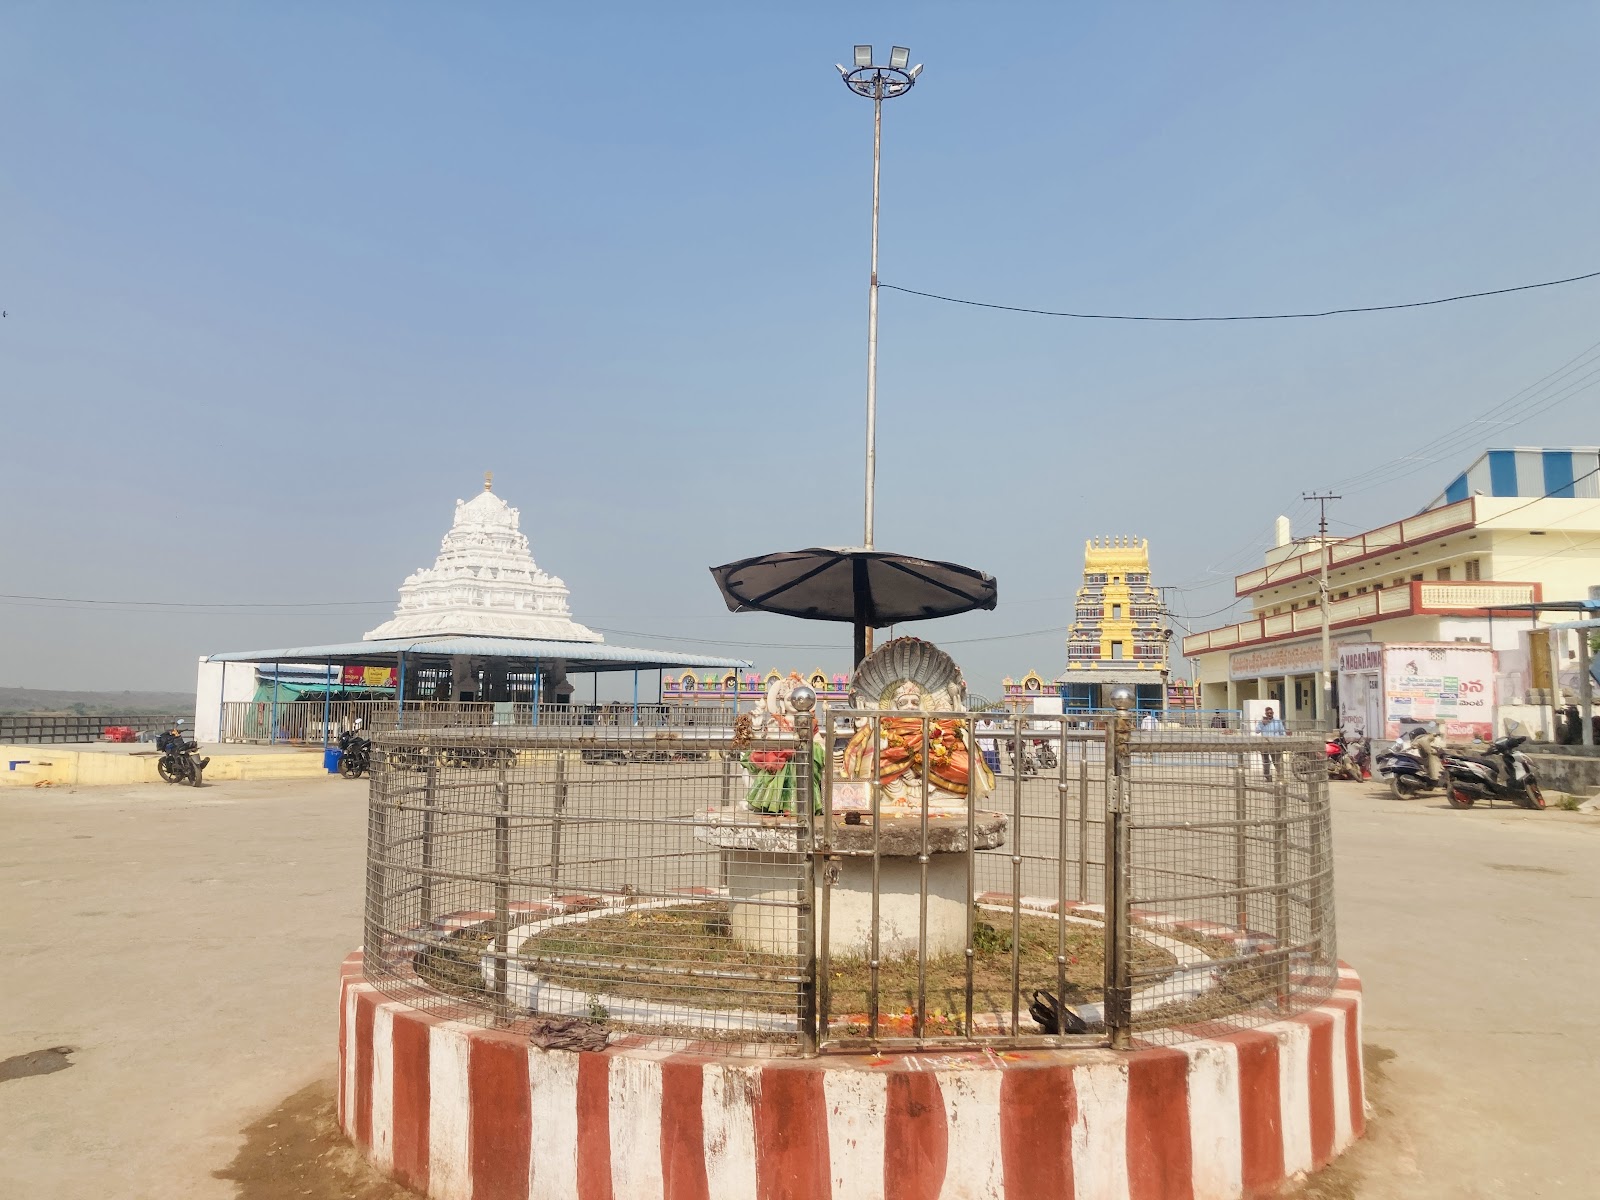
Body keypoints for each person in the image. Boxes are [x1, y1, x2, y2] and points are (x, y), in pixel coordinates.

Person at [1257, 707, 1286, 780]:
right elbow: (1257, 731)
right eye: (1268, 713)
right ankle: (1267, 776)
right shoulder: (1262, 722)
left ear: (1273, 713)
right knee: (1266, 761)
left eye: (1271, 713)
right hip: (1265, 744)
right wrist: (1263, 724)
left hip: (1275, 744)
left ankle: (1280, 776)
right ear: (1265, 714)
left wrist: (1282, 741)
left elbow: (1282, 732)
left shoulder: (1277, 721)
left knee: (1276, 761)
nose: (1269, 715)